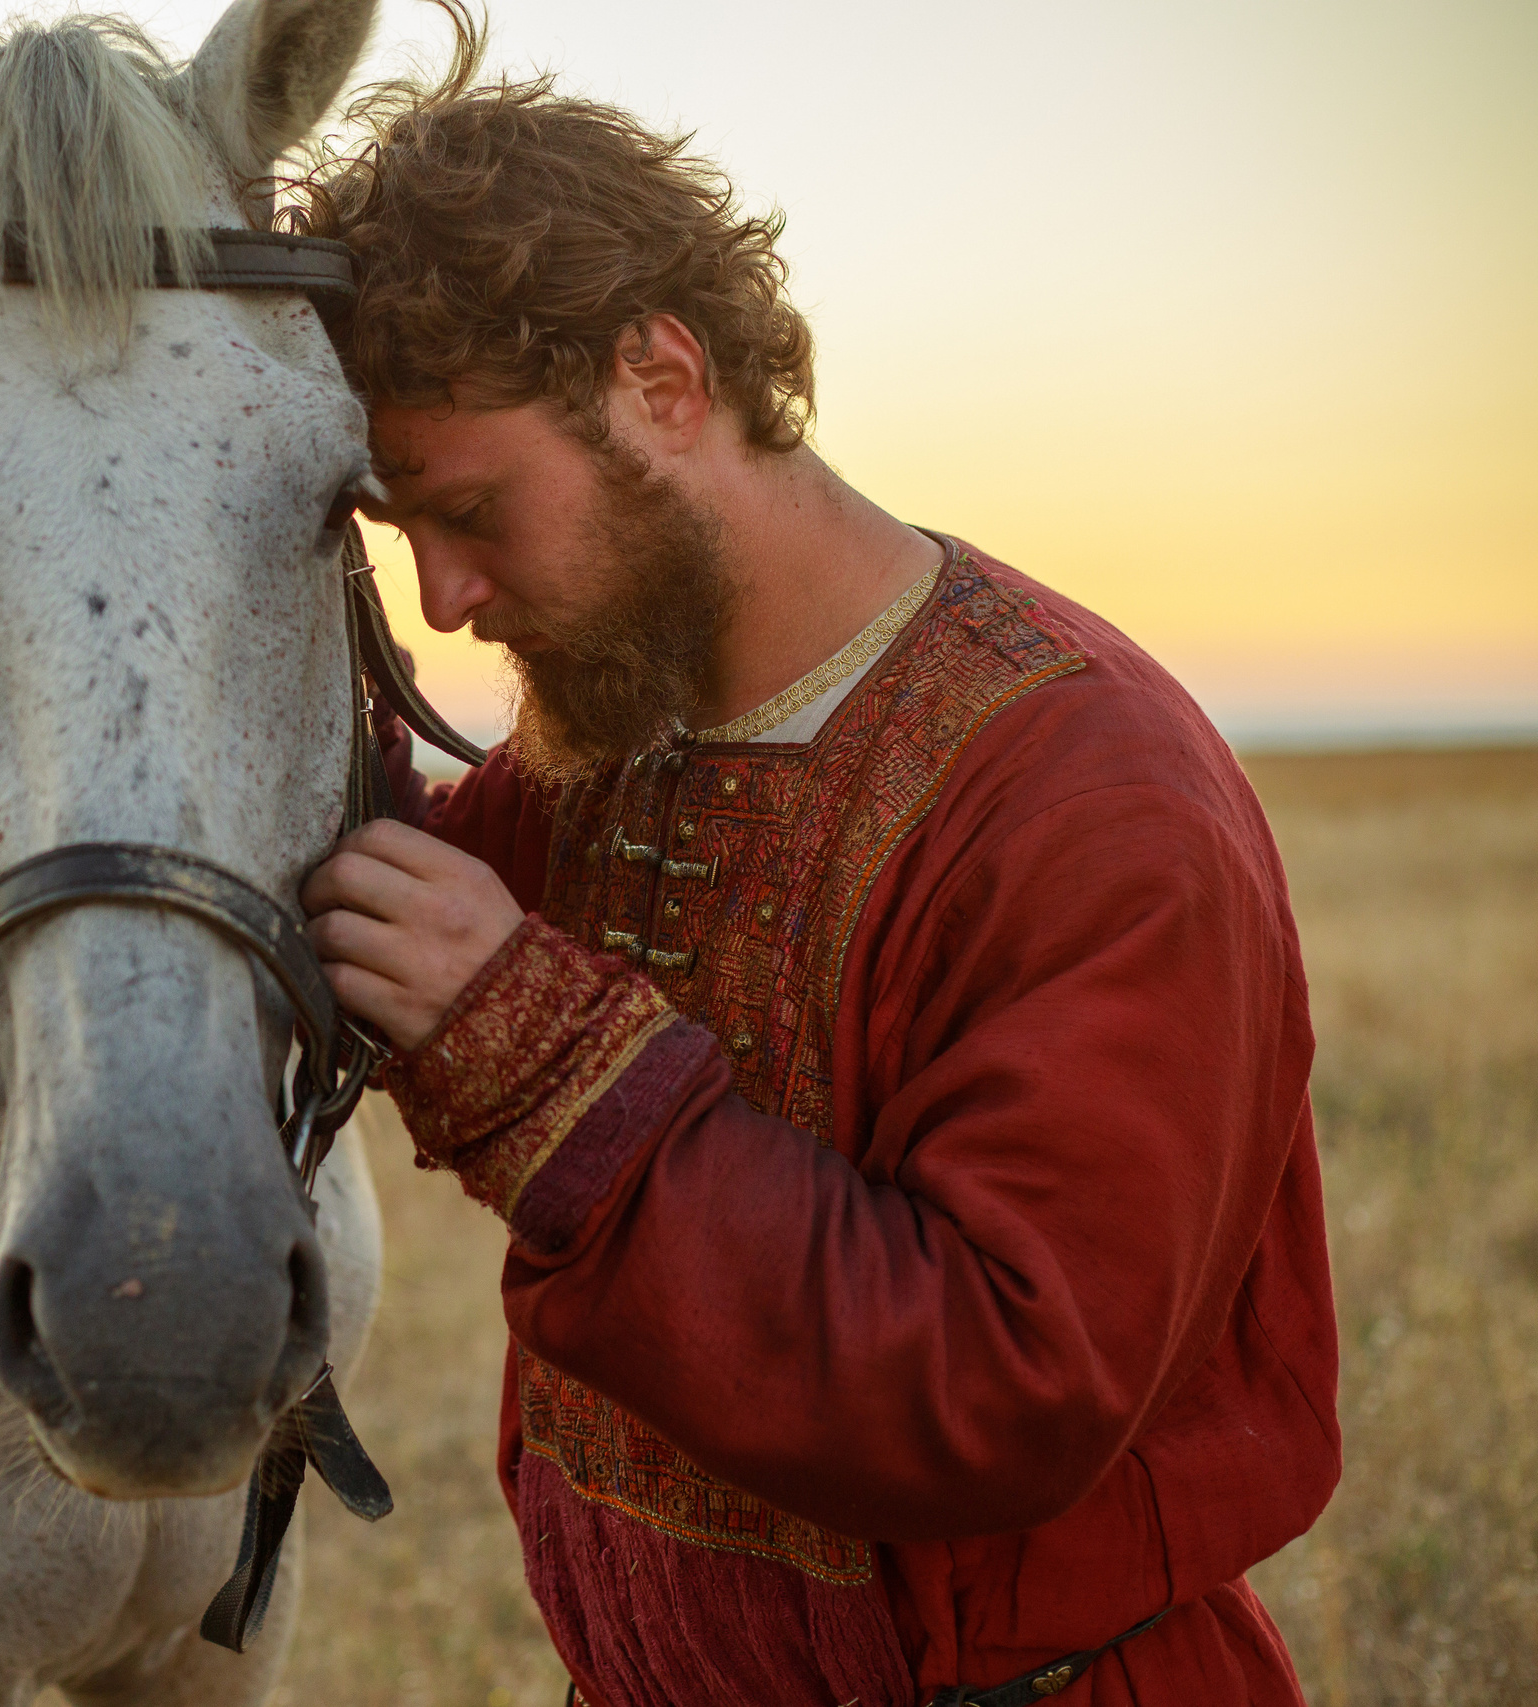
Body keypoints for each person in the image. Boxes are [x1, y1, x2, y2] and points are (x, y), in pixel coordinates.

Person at [289, 25, 1339, 1707]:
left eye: (473, 509)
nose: (445, 600)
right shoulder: (621, 731)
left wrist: (540, 1056)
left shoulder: (1089, 801)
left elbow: (1003, 1387)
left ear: (662, 383)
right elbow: (356, 915)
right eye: (403, 531)